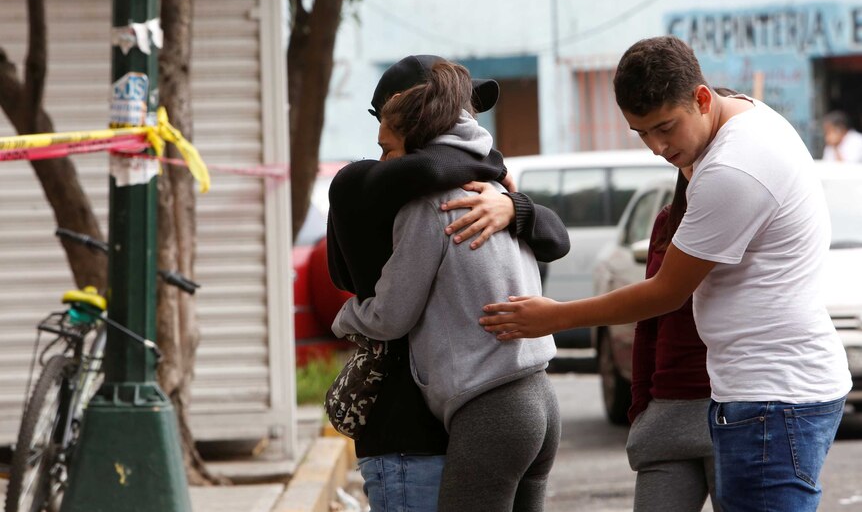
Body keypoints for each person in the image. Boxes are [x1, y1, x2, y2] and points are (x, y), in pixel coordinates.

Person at [480, 36, 852, 511]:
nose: (657, 147)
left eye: (665, 128)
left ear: (701, 99)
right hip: (766, 390)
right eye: (641, 133)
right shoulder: (742, 113)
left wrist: (551, 317)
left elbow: (666, 293)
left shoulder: (734, 167)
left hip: (772, 398)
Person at [326, 54, 570, 512]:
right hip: (539, 395)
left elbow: (392, 316)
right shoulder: (492, 190)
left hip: (490, 409)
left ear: (414, 136)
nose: (382, 161)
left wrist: (346, 317)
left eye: (387, 148)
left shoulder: (433, 206)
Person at [625, 167, 718, 512]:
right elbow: (648, 321)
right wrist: (640, 406)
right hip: (667, 412)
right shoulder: (668, 220)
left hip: (733, 411)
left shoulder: (744, 207)